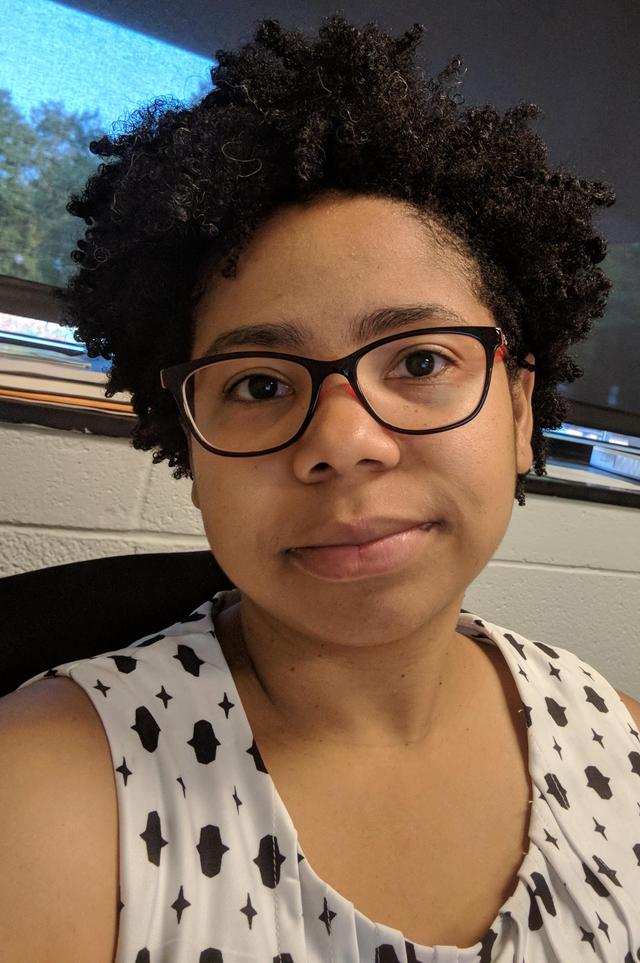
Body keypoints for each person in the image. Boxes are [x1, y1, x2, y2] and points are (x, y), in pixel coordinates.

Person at [1, 14, 638, 963]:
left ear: (517, 408)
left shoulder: (613, 731)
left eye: (420, 359)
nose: (343, 443)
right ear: (191, 445)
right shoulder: (46, 792)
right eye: (259, 384)